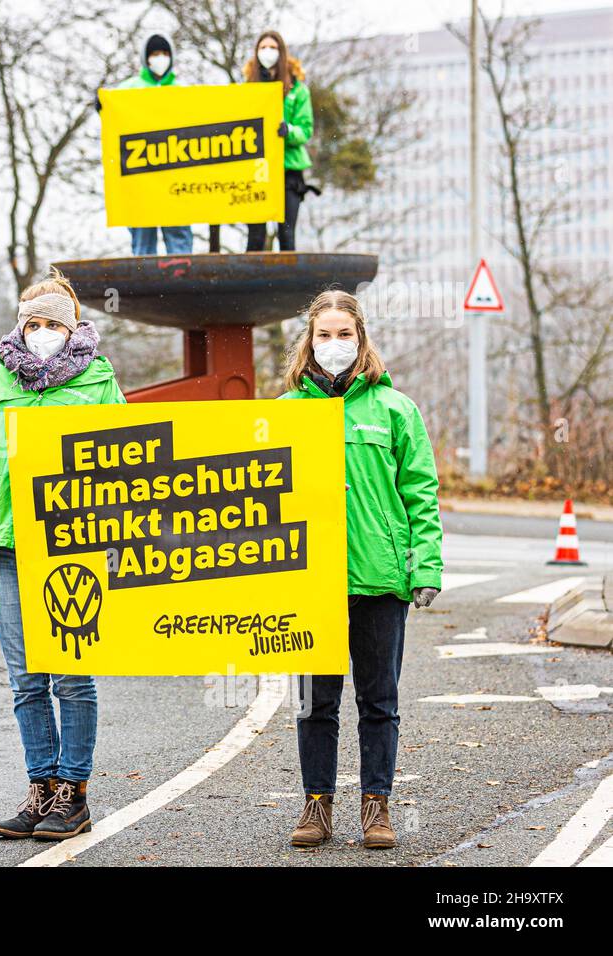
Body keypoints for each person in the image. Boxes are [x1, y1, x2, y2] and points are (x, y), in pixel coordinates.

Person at [0, 266, 127, 841]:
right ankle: (41, 788)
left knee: (71, 676)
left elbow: (131, 467)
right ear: (19, 328)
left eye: (52, 323)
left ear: (71, 327)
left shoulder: (99, 383)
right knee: (26, 678)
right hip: (5, 549)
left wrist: (122, 545)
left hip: (74, 548)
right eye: (32, 323)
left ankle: (74, 792)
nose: (41, 331)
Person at [278, 290, 443, 850]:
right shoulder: (283, 413)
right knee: (314, 703)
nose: (333, 345)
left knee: (380, 700)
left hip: (379, 577)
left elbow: (421, 494)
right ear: (309, 340)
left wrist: (425, 567)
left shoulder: (397, 410)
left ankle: (376, 807)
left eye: (343, 334)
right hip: (310, 583)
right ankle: (317, 806)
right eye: (323, 335)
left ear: (362, 338)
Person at [117, 34, 194, 256]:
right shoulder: (127, 89)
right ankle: (144, 289)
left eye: (164, 54)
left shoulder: (183, 92)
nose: (160, 58)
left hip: (175, 179)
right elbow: (112, 118)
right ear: (146, 58)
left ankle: (183, 286)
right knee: (143, 242)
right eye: (154, 54)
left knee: (179, 240)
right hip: (141, 178)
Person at [243, 31, 315, 252]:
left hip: (288, 170)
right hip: (257, 171)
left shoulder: (298, 90)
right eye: (263, 48)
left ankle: (288, 286)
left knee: (287, 233)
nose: (267, 52)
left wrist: (289, 131)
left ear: (281, 53)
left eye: (272, 48)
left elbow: (306, 129)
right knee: (255, 235)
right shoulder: (247, 89)